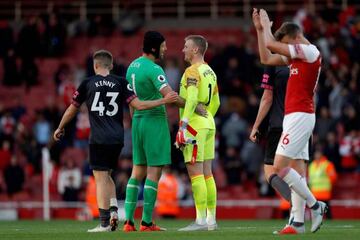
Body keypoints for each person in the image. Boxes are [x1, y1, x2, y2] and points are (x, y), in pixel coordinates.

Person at [53, 49, 177, 233]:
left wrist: (60, 127)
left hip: (98, 137)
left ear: (95, 65)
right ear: (111, 65)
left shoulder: (87, 83)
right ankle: (113, 212)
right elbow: (138, 105)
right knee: (107, 175)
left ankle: (104, 223)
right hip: (118, 138)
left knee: (100, 177)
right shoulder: (120, 82)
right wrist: (162, 101)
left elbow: (72, 109)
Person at [123, 31, 206, 232]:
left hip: (137, 122)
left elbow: (131, 101)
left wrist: (135, 120)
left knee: (136, 172)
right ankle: (146, 222)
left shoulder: (132, 66)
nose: (166, 49)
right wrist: (194, 106)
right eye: (163, 46)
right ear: (154, 48)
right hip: (154, 122)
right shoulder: (154, 69)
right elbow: (170, 96)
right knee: (153, 172)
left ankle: (128, 223)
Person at [255, 8, 327, 234]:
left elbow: (271, 46)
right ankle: (297, 223)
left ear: (295, 38)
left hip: (300, 116)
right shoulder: (298, 55)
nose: (285, 48)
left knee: (279, 166)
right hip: (294, 116)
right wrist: (260, 30)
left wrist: (267, 27)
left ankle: (316, 206)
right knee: (297, 168)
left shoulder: (309, 51)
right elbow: (266, 58)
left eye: (286, 43)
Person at [251, 8, 308, 234]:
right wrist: (263, 30)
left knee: (272, 172)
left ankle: (304, 208)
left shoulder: (275, 63)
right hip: (303, 120)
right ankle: (300, 218)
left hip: (279, 122)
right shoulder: (305, 58)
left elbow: (267, 98)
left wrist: (256, 125)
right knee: (298, 170)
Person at [176, 35, 220, 231]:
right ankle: (211, 220)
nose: (183, 50)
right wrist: (207, 117)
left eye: (186, 47)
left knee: (195, 174)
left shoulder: (191, 70)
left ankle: (200, 221)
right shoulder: (210, 71)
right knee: (207, 174)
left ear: (195, 50)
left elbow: (192, 97)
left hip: (194, 125)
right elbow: (217, 102)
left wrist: (183, 124)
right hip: (209, 123)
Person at [308, 150, 337, 219]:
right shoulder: (312, 165)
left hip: (324, 191)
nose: (316, 156)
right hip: (314, 191)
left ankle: (329, 221)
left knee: (326, 210)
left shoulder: (327, 164)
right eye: (316, 154)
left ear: (321, 154)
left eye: (318, 154)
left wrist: (329, 185)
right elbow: (310, 178)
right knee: (316, 211)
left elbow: (333, 177)